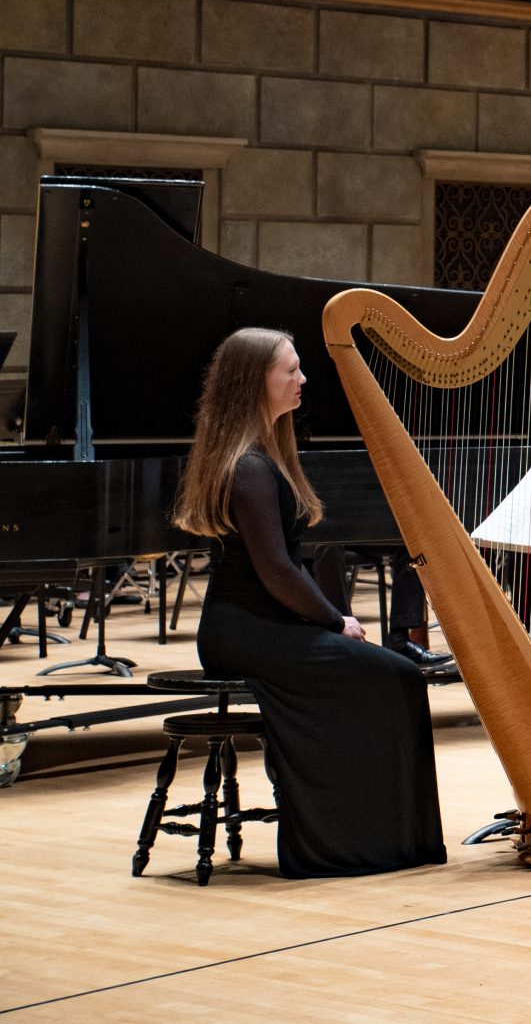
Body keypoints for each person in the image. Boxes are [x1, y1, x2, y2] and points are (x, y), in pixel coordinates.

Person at [174, 327, 445, 875]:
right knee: (396, 676)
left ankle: (374, 834)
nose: (303, 378)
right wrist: (333, 620)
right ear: (257, 380)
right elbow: (276, 570)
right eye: (291, 370)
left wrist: (330, 617)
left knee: (394, 675)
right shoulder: (248, 466)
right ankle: (350, 839)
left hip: (264, 624)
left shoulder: (265, 455)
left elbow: (290, 566)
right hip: (245, 630)